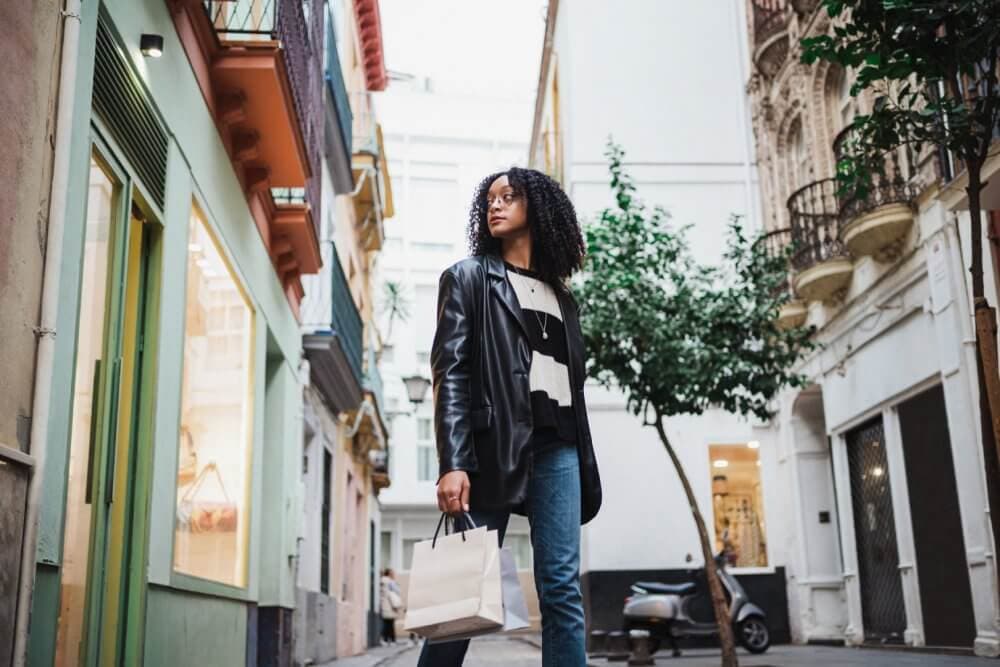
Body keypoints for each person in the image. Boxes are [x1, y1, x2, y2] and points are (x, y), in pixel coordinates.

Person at [418, 167, 603, 667]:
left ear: (537, 209)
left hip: (559, 448)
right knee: (464, 588)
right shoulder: (470, 278)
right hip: (490, 448)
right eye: (491, 198)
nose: (495, 205)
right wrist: (453, 461)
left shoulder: (563, 297)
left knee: (562, 588)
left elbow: (571, 384)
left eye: (509, 196)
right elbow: (451, 372)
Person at [379, 568, 403, 645]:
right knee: (389, 624)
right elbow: (397, 591)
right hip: (390, 605)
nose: (394, 575)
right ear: (389, 574)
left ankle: (387, 639)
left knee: (387, 623)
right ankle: (390, 640)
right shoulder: (389, 582)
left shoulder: (382, 581)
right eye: (393, 573)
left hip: (386, 605)